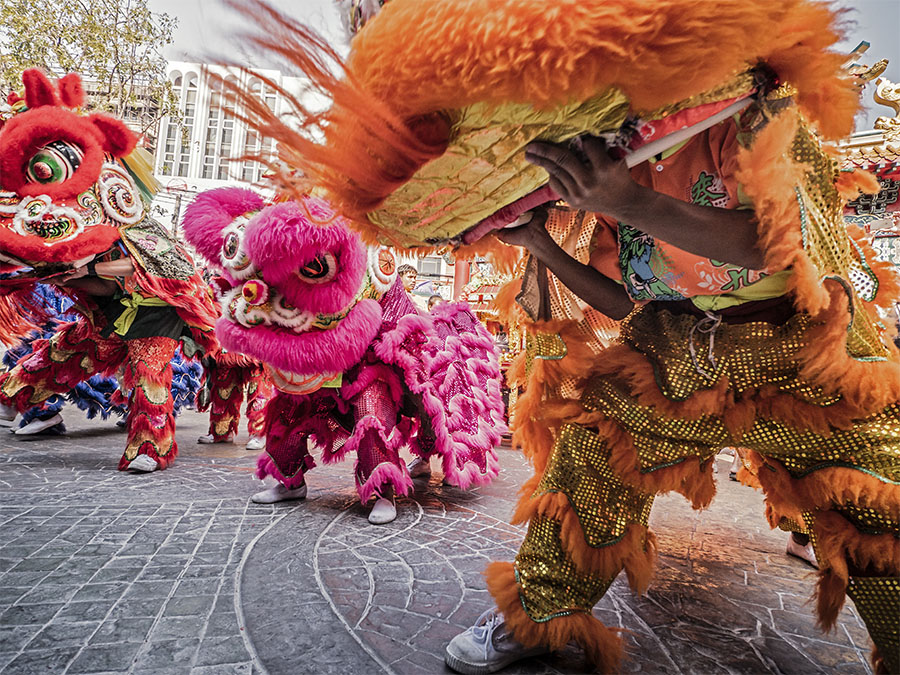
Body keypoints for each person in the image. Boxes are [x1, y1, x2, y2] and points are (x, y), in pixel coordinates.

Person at [445, 100, 900, 672]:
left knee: (881, 501)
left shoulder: (755, 112)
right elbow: (627, 302)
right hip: (679, 351)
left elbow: (778, 241)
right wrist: (541, 242)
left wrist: (630, 202)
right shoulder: (615, 164)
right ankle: (539, 614)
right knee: (593, 453)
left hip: (805, 355)